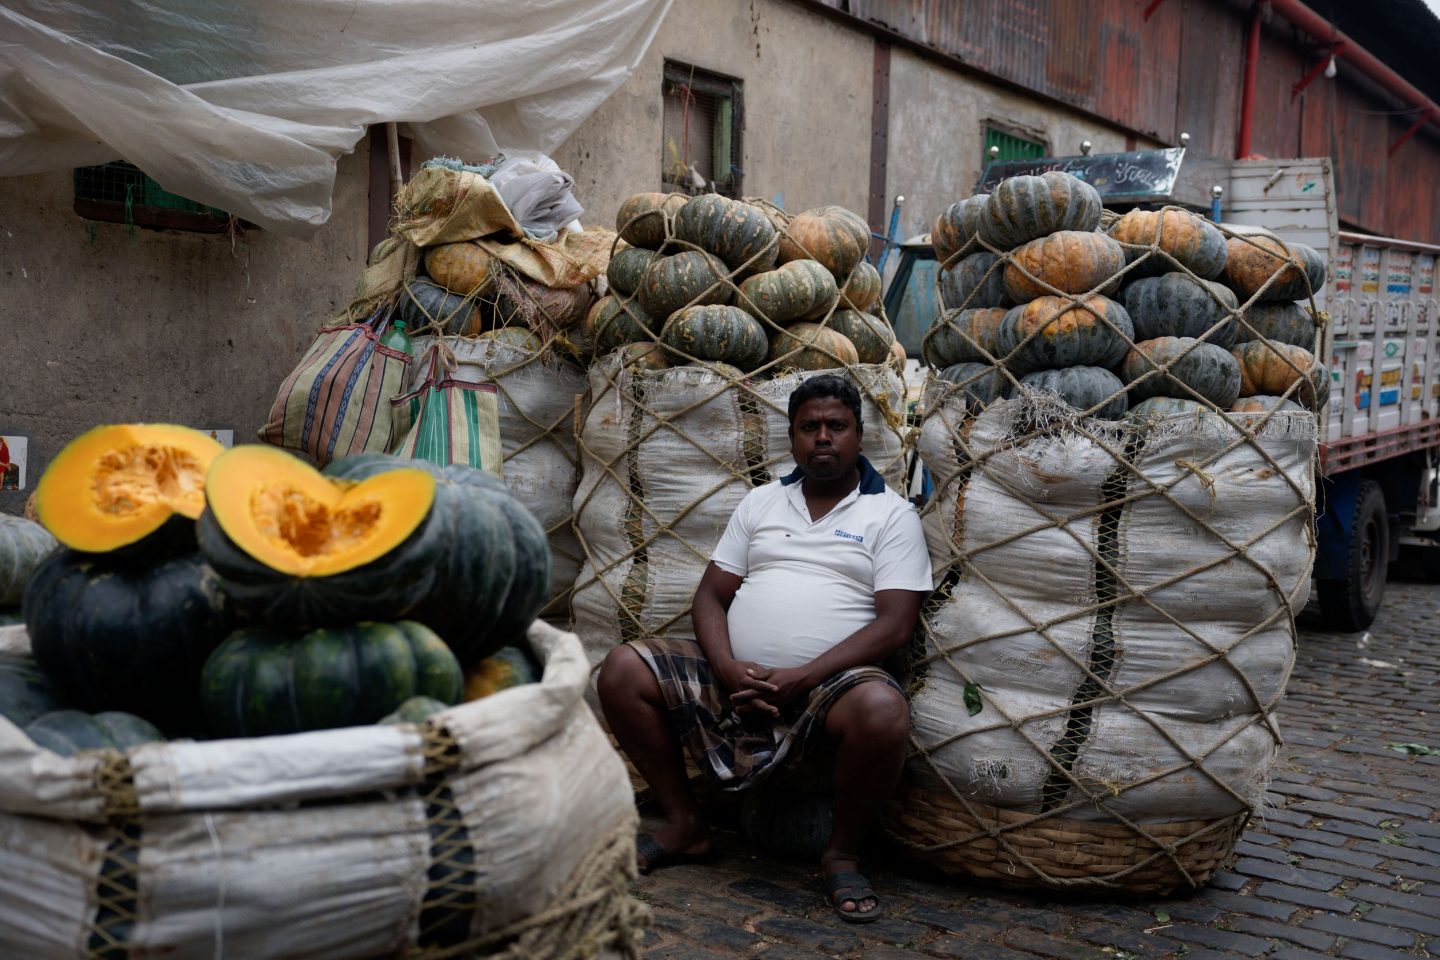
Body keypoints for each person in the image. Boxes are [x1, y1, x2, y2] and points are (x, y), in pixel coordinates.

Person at [597, 374, 932, 923]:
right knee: (621, 671)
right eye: (809, 427)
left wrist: (802, 675)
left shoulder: (890, 515)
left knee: (884, 709)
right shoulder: (762, 502)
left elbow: (895, 625)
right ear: (793, 438)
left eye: (836, 426)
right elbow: (710, 595)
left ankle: (842, 853)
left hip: (829, 687)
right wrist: (727, 668)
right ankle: (685, 826)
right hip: (738, 679)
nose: (822, 438)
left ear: (858, 435)